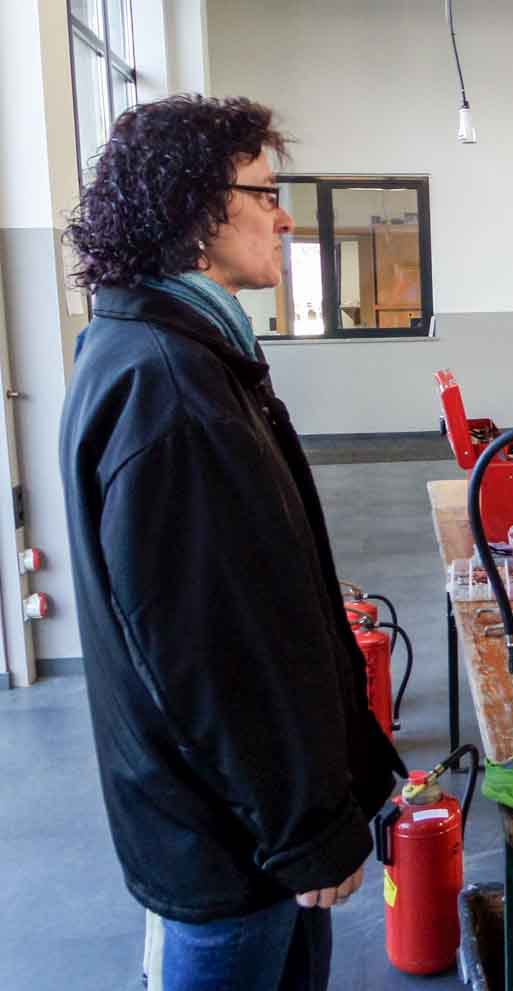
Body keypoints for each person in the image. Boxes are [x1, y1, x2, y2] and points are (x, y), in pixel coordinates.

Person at [60, 95, 404, 990]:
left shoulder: (162, 345)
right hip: (235, 844)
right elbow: (211, 662)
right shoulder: (173, 388)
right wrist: (305, 830)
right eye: (265, 192)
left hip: (223, 820)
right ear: (195, 213)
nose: (285, 215)